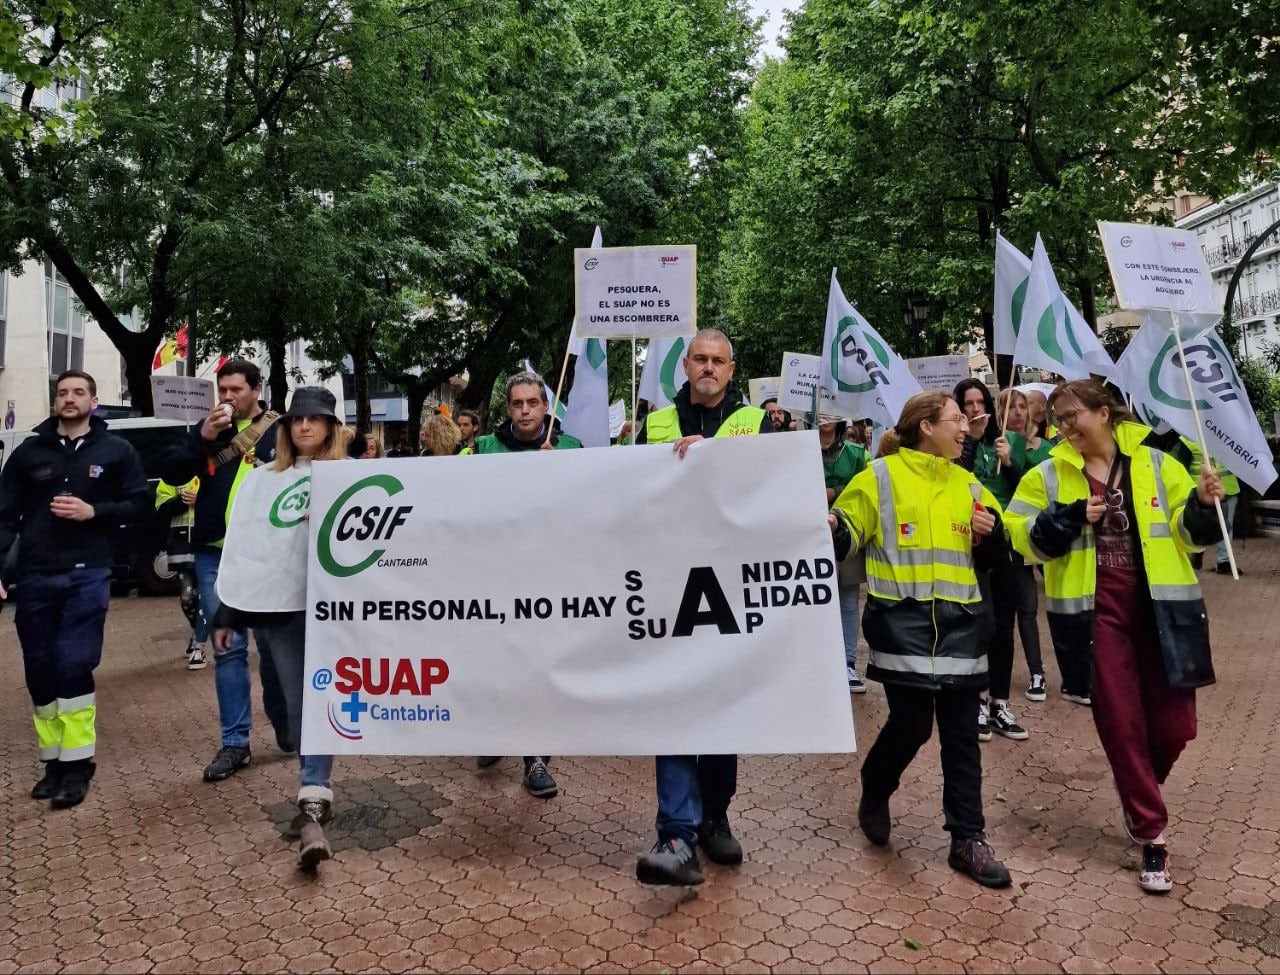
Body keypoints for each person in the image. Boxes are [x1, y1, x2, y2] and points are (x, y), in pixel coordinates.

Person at [1004, 379, 1223, 894]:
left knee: (1176, 728)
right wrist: (1066, 518)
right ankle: (1152, 836)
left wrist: (1202, 504)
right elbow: (1021, 538)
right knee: (1121, 726)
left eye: (1071, 414)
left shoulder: (1157, 465)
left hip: (1165, 613)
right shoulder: (1049, 475)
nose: (1064, 426)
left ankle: (1138, 794)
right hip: (1094, 620)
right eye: (1056, 418)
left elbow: (1188, 534)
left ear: (1104, 413)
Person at [830, 391, 1011, 888]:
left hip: (962, 628)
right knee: (912, 726)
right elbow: (847, 529)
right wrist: (832, 527)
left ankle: (967, 838)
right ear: (926, 427)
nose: (966, 425)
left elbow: (1003, 551)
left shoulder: (970, 482)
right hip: (901, 628)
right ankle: (876, 784)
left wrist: (991, 535)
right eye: (955, 418)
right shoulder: (879, 478)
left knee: (960, 733)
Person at [633, 329, 774, 887]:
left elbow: (766, 493)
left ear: (732, 370)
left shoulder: (759, 427)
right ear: (685, 365)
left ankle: (715, 814)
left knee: (720, 704)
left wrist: (714, 461)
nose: (709, 368)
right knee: (673, 699)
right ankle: (675, 829)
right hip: (671, 579)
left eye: (718, 361)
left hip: (731, 584)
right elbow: (635, 492)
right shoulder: (655, 425)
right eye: (700, 359)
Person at [213, 387, 351, 869]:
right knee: (289, 704)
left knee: (318, 699)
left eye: (316, 419)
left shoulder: (353, 478)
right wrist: (227, 612)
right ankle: (306, 770)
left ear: (332, 426)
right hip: (279, 609)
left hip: (338, 610)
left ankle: (313, 796)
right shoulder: (262, 480)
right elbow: (248, 547)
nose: (305, 427)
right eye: (297, 420)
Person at [0, 370, 149, 808]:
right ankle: (53, 763)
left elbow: (139, 504)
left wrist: (93, 511)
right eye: (62, 393)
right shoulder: (29, 453)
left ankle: (79, 764)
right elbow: (4, 515)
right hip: (36, 574)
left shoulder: (117, 450)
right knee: (40, 668)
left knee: (73, 662)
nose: (69, 398)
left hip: (89, 572)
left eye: (78, 392)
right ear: (55, 401)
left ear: (93, 401)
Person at [161, 359, 292, 782]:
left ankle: (284, 719)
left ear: (256, 389)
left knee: (272, 649)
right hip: (214, 556)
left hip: (268, 557)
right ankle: (235, 743)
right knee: (228, 648)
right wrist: (203, 437)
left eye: (236, 390)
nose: (228, 398)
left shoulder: (280, 431)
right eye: (223, 390)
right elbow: (173, 473)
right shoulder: (206, 431)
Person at [463, 371, 581, 798]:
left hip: (550, 579)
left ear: (545, 407)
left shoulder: (571, 448)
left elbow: (590, 506)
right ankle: (495, 733)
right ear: (508, 408)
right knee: (497, 663)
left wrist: (560, 473)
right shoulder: (481, 449)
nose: (526, 411)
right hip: (495, 577)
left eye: (533, 403)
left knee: (540, 669)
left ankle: (535, 758)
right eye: (518, 404)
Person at [954, 379, 1028, 742]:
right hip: (971, 543)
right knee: (983, 621)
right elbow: (958, 477)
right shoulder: (957, 443)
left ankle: (1000, 702)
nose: (973, 408)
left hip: (1006, 542)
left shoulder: (1007, 442)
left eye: (979, 401)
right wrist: (968, 438)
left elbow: (1025, 488)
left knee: (1005, 624)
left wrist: (1009, 462)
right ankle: (979, 700)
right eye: (966, 403)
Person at [994, 388, 1048, 703]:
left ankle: (1040, 672)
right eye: (1011, 407)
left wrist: (1013, 463)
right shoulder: (994, 447)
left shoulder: (1044, 448)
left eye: (1022, 406)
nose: (1017, 412)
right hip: (1006, 538)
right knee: (1018, 606)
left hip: (1039, 534)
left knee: (1039, 607)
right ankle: (1025, 672)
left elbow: (1033, 488)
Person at [819, 418, 870, 692]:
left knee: (848, 600)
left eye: (831, 412)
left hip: (847, 532)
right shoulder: (803, 448)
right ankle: (821, 662)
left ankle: (848, 663)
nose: (825, 418)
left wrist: (834, 492)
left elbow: (864, 487)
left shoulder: (856, 453)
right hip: (811, 532)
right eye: (821, 411)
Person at [155, 476, 207, 669]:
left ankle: (199, 645)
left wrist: (200, 501)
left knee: (207, 596)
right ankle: (197, 632)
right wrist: (180, 502)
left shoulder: (213, 466)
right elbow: (160, 508)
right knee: (187, 597)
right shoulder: (172, 473)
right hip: (180, 543)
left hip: (207, 541)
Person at [1171, 436, 1241, 575]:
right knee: (1197, 525)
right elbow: (1180, 466)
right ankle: (1197, 552)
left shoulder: (1228, 437)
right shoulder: (1187, 441)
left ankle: (1224, 561)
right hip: (1198, 494)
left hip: (1228, 489)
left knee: (1226, 527)